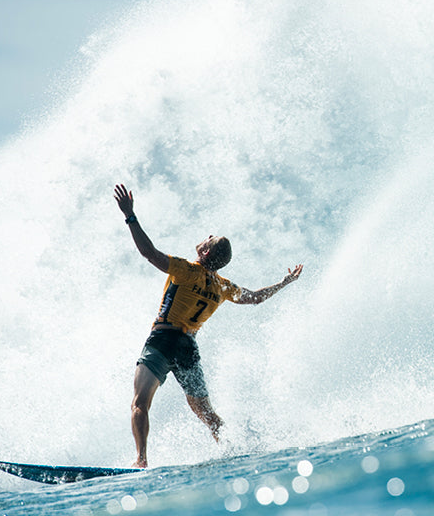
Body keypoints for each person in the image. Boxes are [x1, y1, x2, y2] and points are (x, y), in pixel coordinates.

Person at [114, 183, 303, 468]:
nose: (206, 236)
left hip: (163, 342)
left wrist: (130, 216)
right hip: (187, 348)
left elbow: (149, 253)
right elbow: (254, 298)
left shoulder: (187, 270)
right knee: (207, 415)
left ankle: (140, 460)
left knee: (140, 403)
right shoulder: (222, 286)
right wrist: (284, 283)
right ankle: (233, 451)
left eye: (209, 238)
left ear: (204, 251)